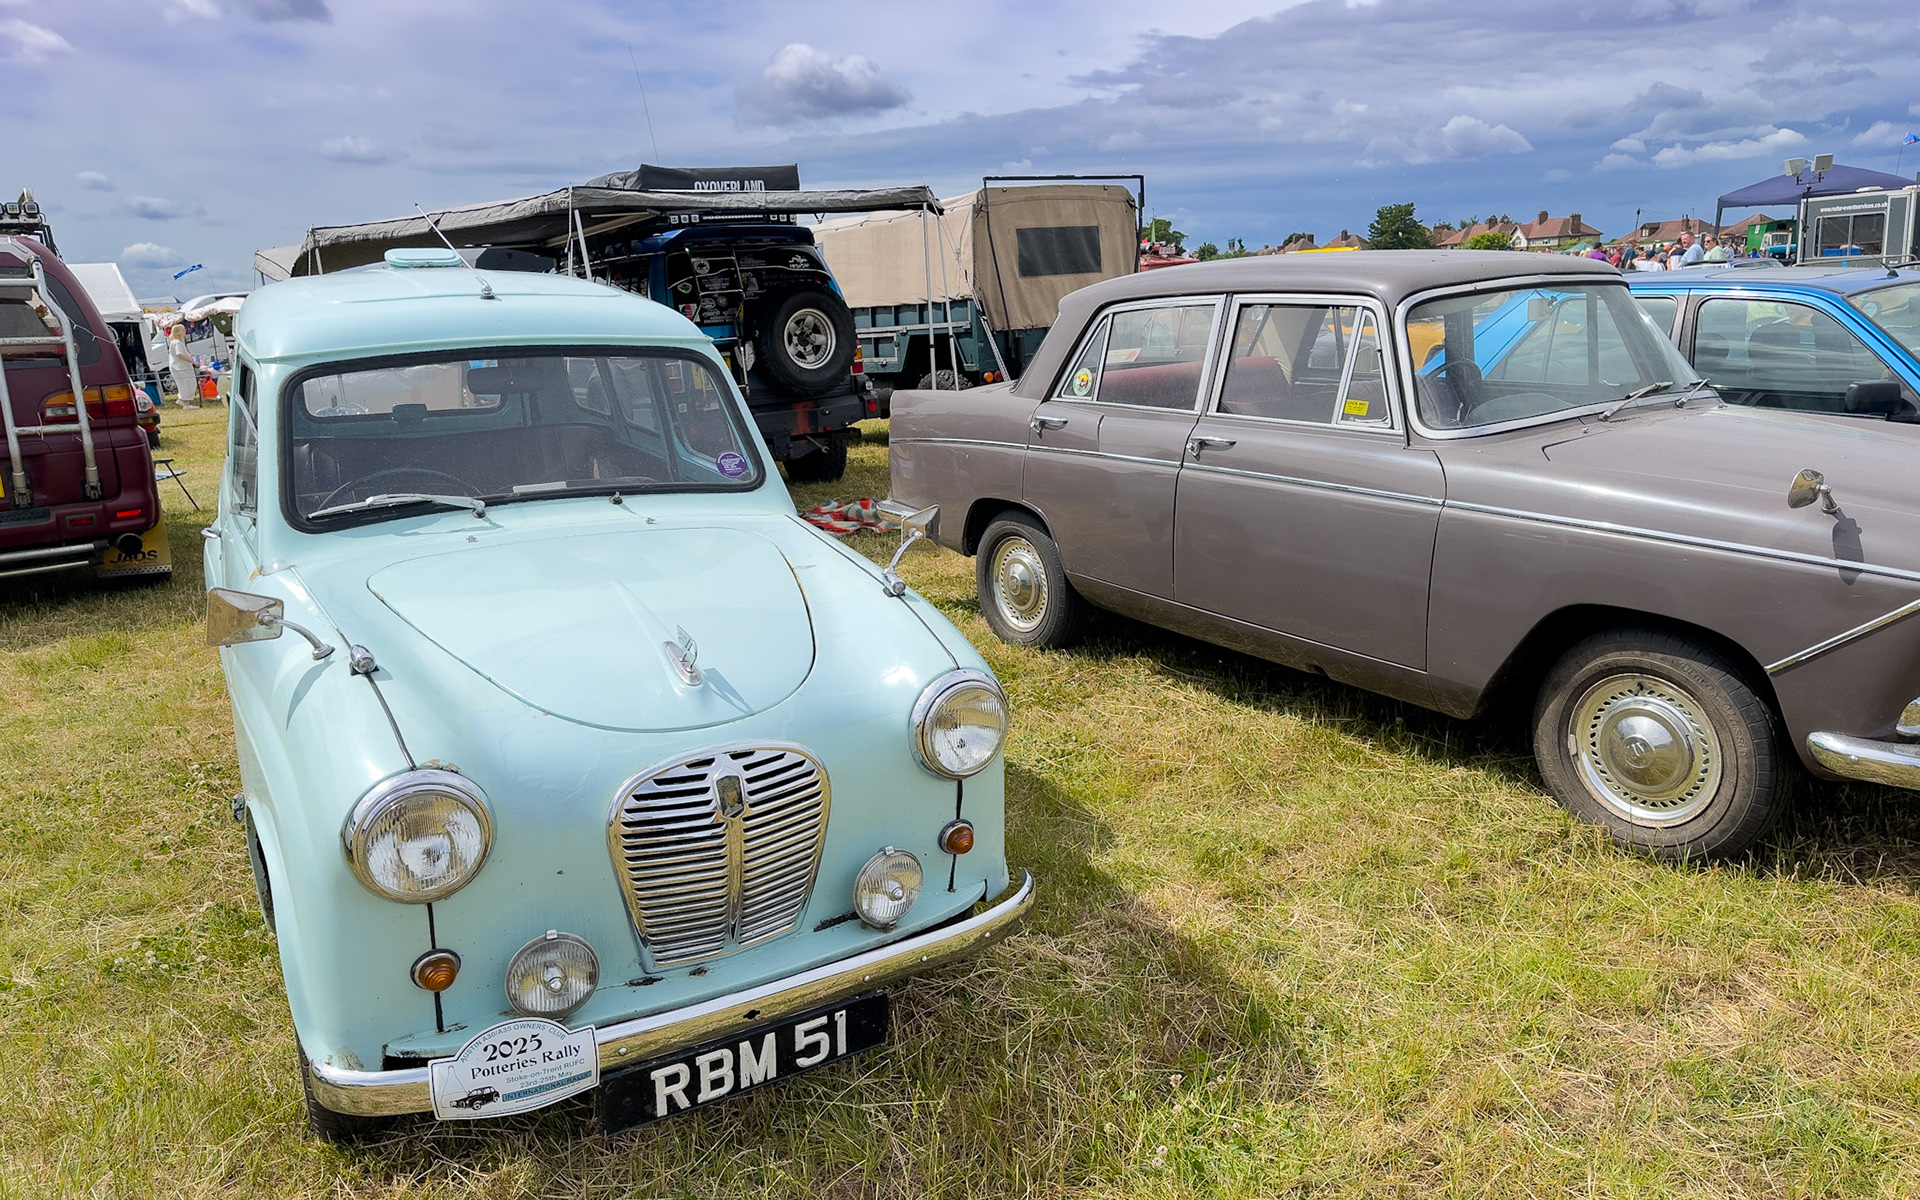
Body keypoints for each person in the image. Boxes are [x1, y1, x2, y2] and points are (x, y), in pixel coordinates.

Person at [167, 322, 198, 409]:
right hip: (180, 367)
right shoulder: (177, 343)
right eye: (183, 330)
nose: (185, 331)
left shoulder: (175, 342)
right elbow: (180, 354)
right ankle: (185, 403)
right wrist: (192, 362)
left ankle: (183, 400)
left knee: (185, 383)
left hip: (179, 367)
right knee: (186, 384)